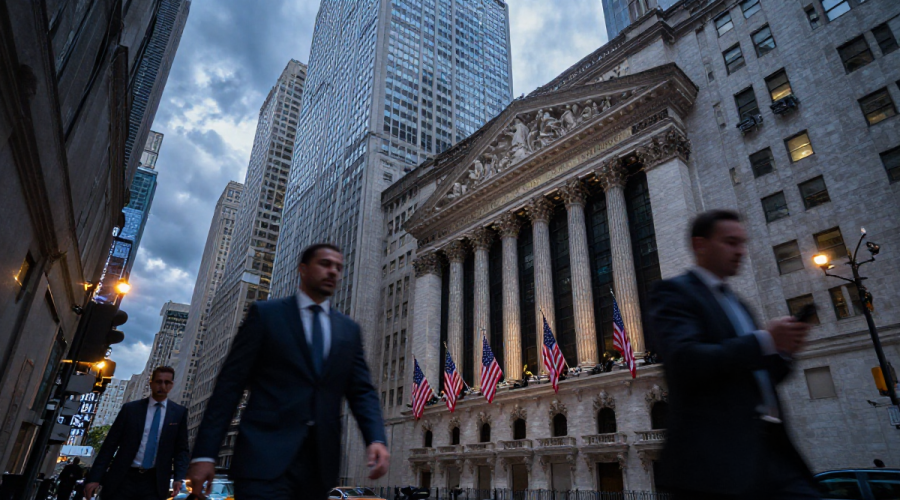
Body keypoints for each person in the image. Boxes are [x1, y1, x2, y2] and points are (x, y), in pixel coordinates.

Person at [187, 244, 388, 500]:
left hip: (318, 466)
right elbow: (229, 387)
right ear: (303, 269)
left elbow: (362, 392)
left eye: (338, 267)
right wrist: (205, 454)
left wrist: (376, 439)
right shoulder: (266, 315)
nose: (333, 272)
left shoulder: (348, 330)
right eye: (325, 264)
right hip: (263, 460)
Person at [649, 210, 816, 500]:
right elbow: (685, 360)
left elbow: (756, 376)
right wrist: (765, 341)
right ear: (700, 245)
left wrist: (783, 353)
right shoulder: (673, 293)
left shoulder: (739, 304)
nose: (741, 251)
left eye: (742, 243)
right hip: (715, 461)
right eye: (730, 242)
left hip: (770, 450)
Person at [84, 366, 189, 500]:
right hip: (124, 478)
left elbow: (181, 449)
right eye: (158, 381)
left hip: (154, 482)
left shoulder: (179, 413)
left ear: (172, 385)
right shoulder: (131, 409)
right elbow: (109, 445)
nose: (162, 386)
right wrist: (95, 477)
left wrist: (179, 477)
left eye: (167, 382)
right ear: (151, 383)